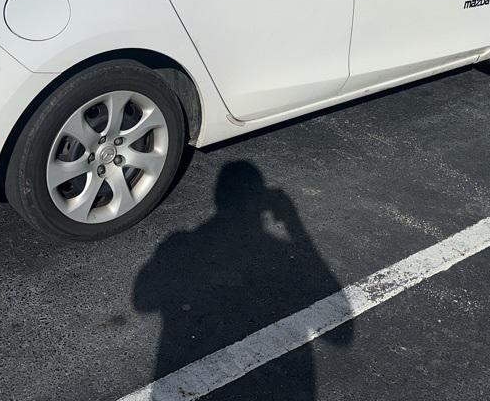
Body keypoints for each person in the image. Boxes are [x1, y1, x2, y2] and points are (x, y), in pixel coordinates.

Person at [133, 160, 352, 399]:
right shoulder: (278, 253)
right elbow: (341, 334)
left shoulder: (182, 244)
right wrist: (293, 223)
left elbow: (142, 300)